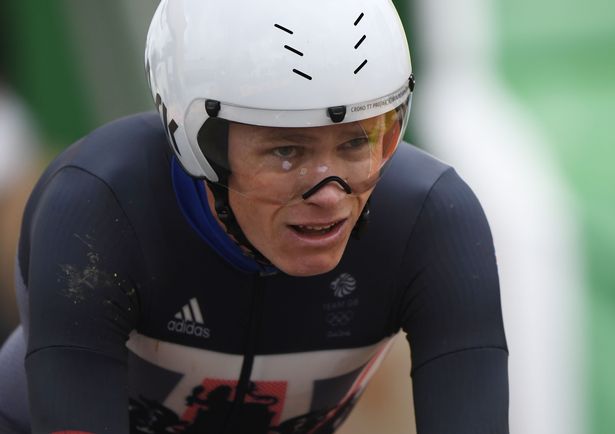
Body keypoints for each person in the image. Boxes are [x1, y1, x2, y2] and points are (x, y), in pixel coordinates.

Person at [0, 0, 509, 433]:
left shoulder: (434, 218)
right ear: (196, 144)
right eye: (287, 149)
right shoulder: (97, 207)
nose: (330, 194)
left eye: (359, 140)